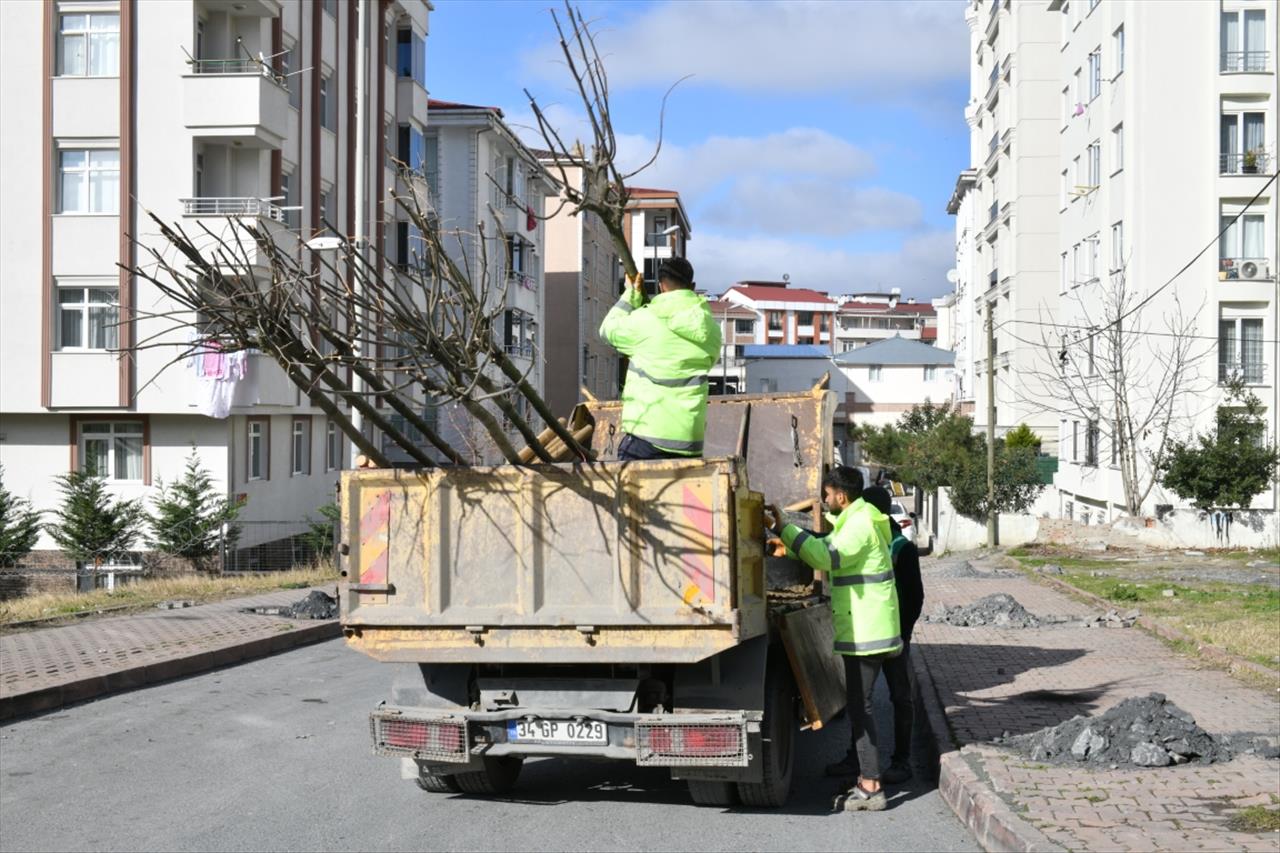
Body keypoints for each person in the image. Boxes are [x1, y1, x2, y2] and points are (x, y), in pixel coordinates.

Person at [763, 466, 902, 812]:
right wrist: (789, 546)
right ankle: (867, 779)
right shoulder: (858, 519)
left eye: (827, 495)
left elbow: (827, 557)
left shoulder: (859, 524)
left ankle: (871, 787)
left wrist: (785, 528)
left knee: (861, 707)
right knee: (860, 707)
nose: (824, 501)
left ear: (841, 495)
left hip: (867, 630)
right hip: (867, 626)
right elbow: (827, 544)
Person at [599, 258, 721, 461]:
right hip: (689, 441)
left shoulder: (645, 321)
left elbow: (607, 330)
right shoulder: (711, 329)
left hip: (645, 436)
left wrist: (631, 295)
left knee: (627, 492)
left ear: (661, 286)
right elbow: (709, 361)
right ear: (692, 287)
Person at [859, 485, 924, 785]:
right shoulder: (869, 540)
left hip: (895, 637)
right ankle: (855, 756)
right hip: (869, 632)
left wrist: (904, 634)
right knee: (861, 700)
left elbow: (915, 596)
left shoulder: (901, 547)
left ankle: (902, 761)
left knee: (901, 697)